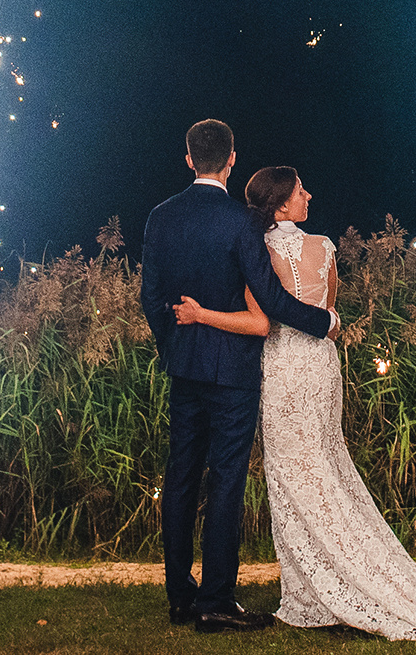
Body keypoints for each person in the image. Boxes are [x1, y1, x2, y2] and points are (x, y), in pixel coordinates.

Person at [171, 165, 416, 644]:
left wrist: (200, 314)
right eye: (301, 190)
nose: (309, 194)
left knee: (294, 479)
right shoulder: (324, 247)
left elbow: (263, 323)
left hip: (283, 370)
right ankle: (330, 583)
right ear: (282, 204)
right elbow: (331, 311)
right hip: (321, 367)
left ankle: (313, 591)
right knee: (326, 466)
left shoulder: (258, 250)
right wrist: (326, 325)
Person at [140, 119, 338, 634]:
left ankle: (180, 597)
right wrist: (324, 322)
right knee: (225, 481)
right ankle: (216, 602)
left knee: (180, 477)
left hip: (185, 366)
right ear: (231, 160)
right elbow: (269, 301)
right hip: (233, 372)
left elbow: (150, 298)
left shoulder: (160, 218)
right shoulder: (240, 222)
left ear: (189, 159)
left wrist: (174, 345)